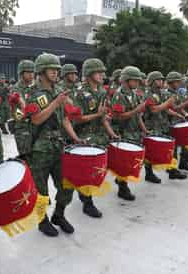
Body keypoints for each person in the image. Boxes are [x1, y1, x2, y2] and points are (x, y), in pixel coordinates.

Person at [24, 53, 78, 237]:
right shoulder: (33, 93)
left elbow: (64, 120)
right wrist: (56, 103)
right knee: (41, 189)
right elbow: (37, 119)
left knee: (67, 184)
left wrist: (75, 138)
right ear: (41, 71)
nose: (56, 72)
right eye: (51, 69)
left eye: (57, 69)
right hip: (40, 149)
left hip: (58, 146)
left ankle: (59, 215)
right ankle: (42, 220)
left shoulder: (58, 92)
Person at [71, 58, 118, 217]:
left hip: (100, 136)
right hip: (84, 136)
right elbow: (77, 119)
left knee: (97, 170)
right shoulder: (79, 93)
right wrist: (97, 114)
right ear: (89, 73)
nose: (102, 75)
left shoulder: (102, 92)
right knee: (88, 171)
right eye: (99, 72)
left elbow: (103, 117)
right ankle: (87, 202)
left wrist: (111, 133)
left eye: (103, 72)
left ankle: (84, 194)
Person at [111, 66, 148, 201]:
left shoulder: (134, 94)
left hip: (134, 132)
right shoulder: (118, 95)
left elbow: (138, 116)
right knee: (124, 163)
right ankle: (122, 187)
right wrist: (136, 110)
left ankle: (121, 182)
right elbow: (118, 116)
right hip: (123, 132)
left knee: (132, 161)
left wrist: (144, 130)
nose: (138, 82)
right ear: (127, 80)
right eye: (135, 80)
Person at [143, 71, 187, 180]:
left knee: (170, 148)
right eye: (158, 80)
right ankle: (149, 173)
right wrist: (168, 103)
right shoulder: (148, 94)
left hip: (162, 124)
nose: (161, 82)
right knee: (151, 151)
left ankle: (172, 170)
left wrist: (177, 114)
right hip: (152, 126)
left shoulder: (161, 93)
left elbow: (166, 109)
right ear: (152, 81)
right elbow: (154, 110)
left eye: (161, 80)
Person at [166, 72, 188, 172]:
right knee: (173, 147)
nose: (179, 84)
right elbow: (172, 108)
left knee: (184, 143)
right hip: (170, 122)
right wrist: (186, 104)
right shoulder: (167, 94)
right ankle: (172, 169)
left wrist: (186, 115)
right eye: (177, 82)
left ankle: (183, 162)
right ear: (171, 82)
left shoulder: (176, 93)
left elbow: (179, 107)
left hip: (178, 121)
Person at [10, 60, 35, 159]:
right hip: (23, 129)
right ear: (21, 73)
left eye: (32, 72)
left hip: (35, 127)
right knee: (26, 158)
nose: (31, 75)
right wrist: (26, 110)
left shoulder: (35, 87)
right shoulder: (15, 90)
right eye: (28, 72)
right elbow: (18, 115)